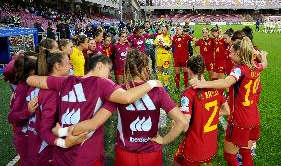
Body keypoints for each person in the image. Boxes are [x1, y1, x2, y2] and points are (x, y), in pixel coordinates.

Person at [54, 49, 188, 166]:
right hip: (151, 153)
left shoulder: (119, 91)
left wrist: (62, 132)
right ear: (147, 68)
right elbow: (181, 122)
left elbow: (94, 122)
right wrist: (165, 140)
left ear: (128, 69)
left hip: (125, 153)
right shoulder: (158, 90)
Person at [26, 54, 162, 166]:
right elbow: (127, 98)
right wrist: (152, 83)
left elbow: (31, 79)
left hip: (61, 156)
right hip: (85, 155)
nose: (109, 76)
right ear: (100, 65)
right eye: (109, 71)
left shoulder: (65, 81)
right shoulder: (102, 83)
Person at [190, 38, 268, 166]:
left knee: (229, 154)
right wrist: (263, 56)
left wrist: (202, 83)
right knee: (245, 152)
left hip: (239, 119)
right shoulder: (255, 66)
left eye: (231, 53)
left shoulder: (239, 69)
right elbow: (264, 64)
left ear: (238, 54)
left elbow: (226, 82)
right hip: (254, 117)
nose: (229, 55)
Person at [27, 49, 85, 166]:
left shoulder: (40, 84)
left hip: (37, 145)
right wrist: (65, 142)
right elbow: (45, 130)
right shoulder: (52, 92)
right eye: (68, 62)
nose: (71, 65)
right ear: (58, 66)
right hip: (47, 151)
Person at [173, 55, 230, 166]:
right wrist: (204, 114)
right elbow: (227, 110)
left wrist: (175, 122)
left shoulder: (188, 94)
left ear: (188, 69)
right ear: (204, 69)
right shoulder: (215, 88)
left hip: (194, 148)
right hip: (211, 145)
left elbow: (184, 126)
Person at [7, 52, 38, 166]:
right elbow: (11, 117)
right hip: (25, 137)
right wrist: (27, 111)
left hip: (30, 136)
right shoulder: (23, 88)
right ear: (31, 71)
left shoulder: (30, 84)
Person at [172, 26, 192, 92]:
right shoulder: (174, 38)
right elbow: (170, 45)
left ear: (182, 30)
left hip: (184, 58)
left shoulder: (186, 37)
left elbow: (193, 38)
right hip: (177, 58)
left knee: (185, 71)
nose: (178, 31)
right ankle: (177, 86)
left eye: (180, 29)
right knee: (177, 72)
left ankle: (186, 85)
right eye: (177, 30)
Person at [154, 26, 172, 91]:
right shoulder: (159, 37)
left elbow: (169, 48)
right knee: (159, 71)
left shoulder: (169, 37)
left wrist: (163, 45)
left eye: (165, 30)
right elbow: (154, 45)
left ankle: (166, 85)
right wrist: (158, 44)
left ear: (167, 31)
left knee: (165, 71)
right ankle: (160, 84)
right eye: (162, 30)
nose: (163, 31)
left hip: (166, 56)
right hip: (159, 56)